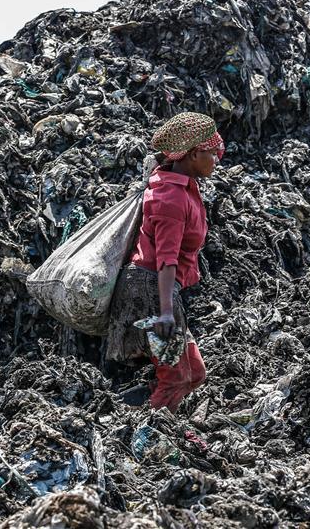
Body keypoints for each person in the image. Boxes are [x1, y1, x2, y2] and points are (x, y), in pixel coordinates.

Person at [105, 112, 224, 412]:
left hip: (159, 288)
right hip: (150, 290)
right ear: (194, 154)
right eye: (211, 153)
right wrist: (166, 312)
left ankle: (132, 405)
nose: (216, 160)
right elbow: (166, 260)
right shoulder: (171, 198)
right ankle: (147, 427)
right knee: (176, 376)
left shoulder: (182, 186)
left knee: (194, 373)